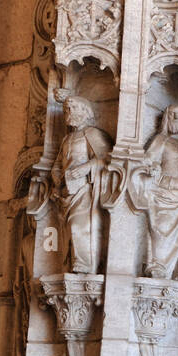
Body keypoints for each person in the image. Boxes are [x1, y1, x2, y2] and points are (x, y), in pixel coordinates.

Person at [129, 104, 178, 281]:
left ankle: (175, 269)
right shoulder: (161, 140)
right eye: (172, 115)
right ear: (165, 119)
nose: (175, 119)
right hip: (164, 192)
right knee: (161, 229)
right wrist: (152, 168)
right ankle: (158, 265)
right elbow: (147, 160)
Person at [50, 93, 111, 273]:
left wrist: (86, 167)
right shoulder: (66, 140)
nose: (69, 111)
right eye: (66, 108)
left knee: (80, 225)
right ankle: (77, 262)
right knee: (70, 228)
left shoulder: (92, 133)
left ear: (85, 111)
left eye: (73, 107)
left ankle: (85, 265)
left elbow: (107, 159)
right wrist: (57, 180)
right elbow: (56, 165)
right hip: (67, 191)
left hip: (86, 190)